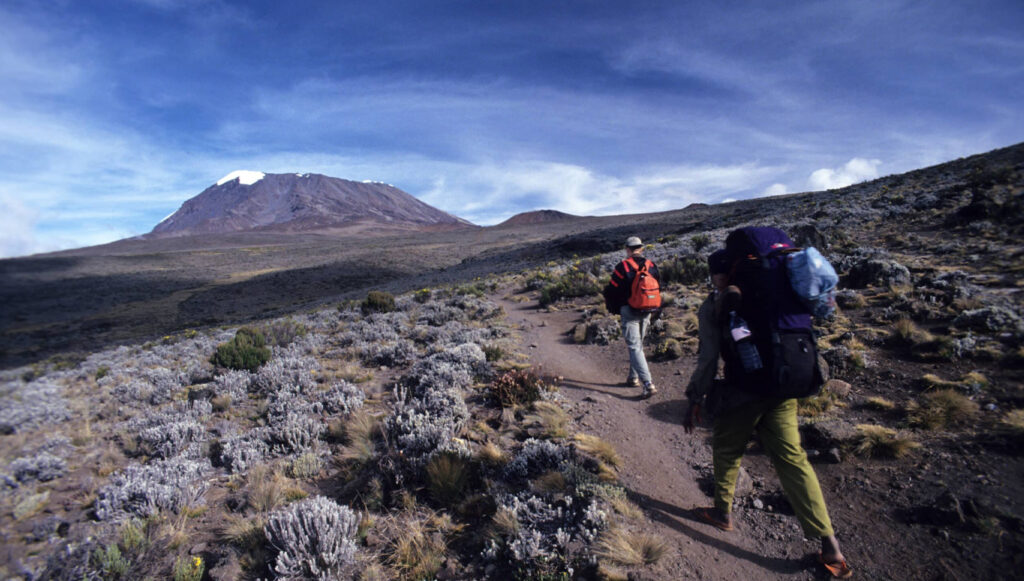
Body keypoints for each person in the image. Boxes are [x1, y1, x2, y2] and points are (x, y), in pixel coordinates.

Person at [683, 249, 853, 579]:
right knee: (793, 460)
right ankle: (830, 545)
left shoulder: (718, 303)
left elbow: (709, 357)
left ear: (719, 274)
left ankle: (722, 513)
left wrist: (695, 398)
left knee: (727, 449)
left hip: (744, 390)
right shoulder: (776, 289)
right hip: (782, 387)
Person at [602, 236, 661, 398]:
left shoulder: (623, 266)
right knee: (638, 346)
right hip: (648, 309)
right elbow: (659, 287)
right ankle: (633, 378)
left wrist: (614, 306)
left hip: (629, 310)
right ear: (641, 248)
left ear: (627, 249)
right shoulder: (651, 265)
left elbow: (612, 289)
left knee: (635, 347)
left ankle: (648, 384)